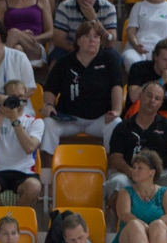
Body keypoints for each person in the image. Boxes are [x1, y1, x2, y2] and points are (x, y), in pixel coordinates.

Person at [40, 21, 124, 163]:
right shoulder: (64, 62)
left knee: (117, 123)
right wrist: (48, 104)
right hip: (69, 119)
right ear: (78, 40)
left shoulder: (109, 60)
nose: (92, 40)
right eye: (87, 36)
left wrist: (116, 110)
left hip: (99, 119)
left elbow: (117, 87)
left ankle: (111, 172)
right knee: (48, 123)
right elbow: (50, 89)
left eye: (96, 36)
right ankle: (49, 173)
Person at [105, 81, 167, 218]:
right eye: (149, 96)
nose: (152, 101)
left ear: (161, 103)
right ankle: (125, 228)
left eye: (157, 98)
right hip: (131, 174)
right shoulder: (123, 127)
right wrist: (130, 171)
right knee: (116, 183)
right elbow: (114, 157)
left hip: (160, 175)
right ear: (141, 96)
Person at [0, 80, 44, 210]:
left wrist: (14, 120)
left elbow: (30, 148)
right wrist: (1, 117)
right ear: (5, 97)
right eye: (12, 96)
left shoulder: (36, 122)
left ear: (25, 98)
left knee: (34, 187)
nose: (17, 100)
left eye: (20, 96)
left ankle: (15, 220)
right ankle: (1, 217)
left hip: (24, 172)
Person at [108, 149, 167, 243]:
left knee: (159, 225)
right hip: (131, 234)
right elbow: (124, 215)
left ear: (152, 172)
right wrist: (144, 226)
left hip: (159, 233)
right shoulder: (125, 191)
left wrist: (153, 226)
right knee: (135, 225)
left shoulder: (165, 192)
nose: (135, 170)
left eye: (140, 168)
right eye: (134, 167)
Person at [124, 39, 167, 133]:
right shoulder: (139, 68)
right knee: (140, 104)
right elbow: (134, 96)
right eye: (165, 60)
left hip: (163, 114)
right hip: (141, 110)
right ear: (156, 57)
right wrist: (162, 81)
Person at [50, 0, 118, 66]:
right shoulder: (65, 7)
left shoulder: (108, 7)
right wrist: (80, 50)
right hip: (72, 47)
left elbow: (110, 40)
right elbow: (58, 40)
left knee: (113, 57)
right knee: (56, 57)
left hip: (99, 48)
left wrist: (94, 20)